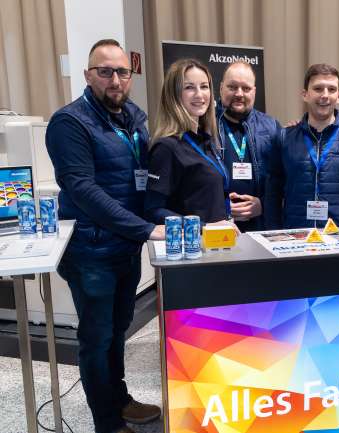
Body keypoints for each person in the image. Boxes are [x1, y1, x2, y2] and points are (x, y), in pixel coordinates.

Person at [45, 39, 164, 433]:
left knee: (117, 332)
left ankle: (120, 399)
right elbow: (83, 190)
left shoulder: (134, 117)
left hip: (125, 249)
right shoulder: (69, 123)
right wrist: (145, 228)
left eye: (122, 72)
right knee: (96, 339)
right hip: (91, 252)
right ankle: (107, 422)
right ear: (88, 75)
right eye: (105, 71)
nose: (115, 80)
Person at [265, 63, 339, 229]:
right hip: (297, 238)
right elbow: (272, 196)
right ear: (305, 94)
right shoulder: (284, 138)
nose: (325, 95)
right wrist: (274, 234)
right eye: (318, 89)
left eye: (331, 89)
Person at [144, 58, 237, 232]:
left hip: (217, 242)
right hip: (192, 245)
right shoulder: (166, 147)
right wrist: (204, 227)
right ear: (174, 94)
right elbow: (153, 211)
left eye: (204, 86)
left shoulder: (207, 141)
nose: (199, 95)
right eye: (189, 87)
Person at [216, 62, 281, 232]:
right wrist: (221, 206)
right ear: (221, 88)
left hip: (262, 227)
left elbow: (284, 181)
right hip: (217, 227)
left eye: (246, 88)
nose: (239, 94)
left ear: (254, 91)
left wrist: (263, 204)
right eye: (232, 87)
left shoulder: (272, 127)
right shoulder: (205, 127)